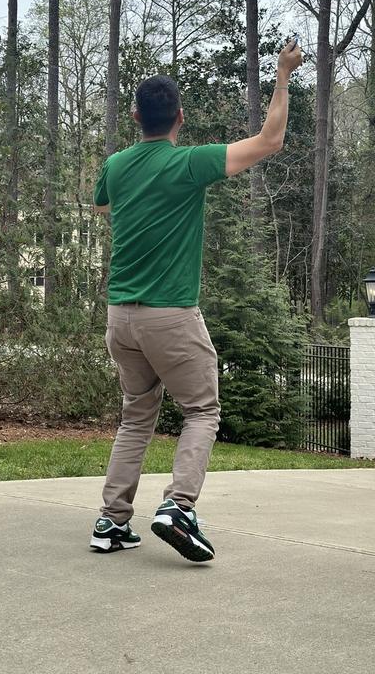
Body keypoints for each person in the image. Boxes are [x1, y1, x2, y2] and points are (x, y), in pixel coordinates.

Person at [89, 39, 303, 562]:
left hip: (120, 317)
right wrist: (281, 72)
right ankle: (178, 507)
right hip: (169, 315)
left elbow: (100, 206)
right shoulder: (189, 165)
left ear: (137, 116)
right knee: (202, 410)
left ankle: (112, 521)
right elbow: (270, 139)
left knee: (136, 416)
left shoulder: (116, 165)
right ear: (180, 118)